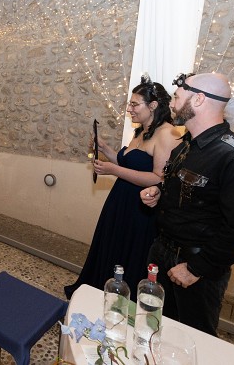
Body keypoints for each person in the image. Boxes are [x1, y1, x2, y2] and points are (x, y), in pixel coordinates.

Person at [140, 72, 234, 336]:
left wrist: (196, 268)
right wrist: (159, 192)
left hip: (196, 268)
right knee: (153, 328)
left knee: (189, 339)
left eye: (176, 97)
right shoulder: (186, 146)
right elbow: (189, 192)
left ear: (198, 100)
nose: (172, 104)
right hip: (162, 252)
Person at [64, 75, 180, 301]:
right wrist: (104, 148)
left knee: (129, 254)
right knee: (112, 248)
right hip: (121, 202)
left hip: (141, 208)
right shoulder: (141, 131)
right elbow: (126, 162)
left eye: (135, 104)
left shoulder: (167, 133)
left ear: (153, 106)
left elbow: (159, 178)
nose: (129, 109)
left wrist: (114, 170)